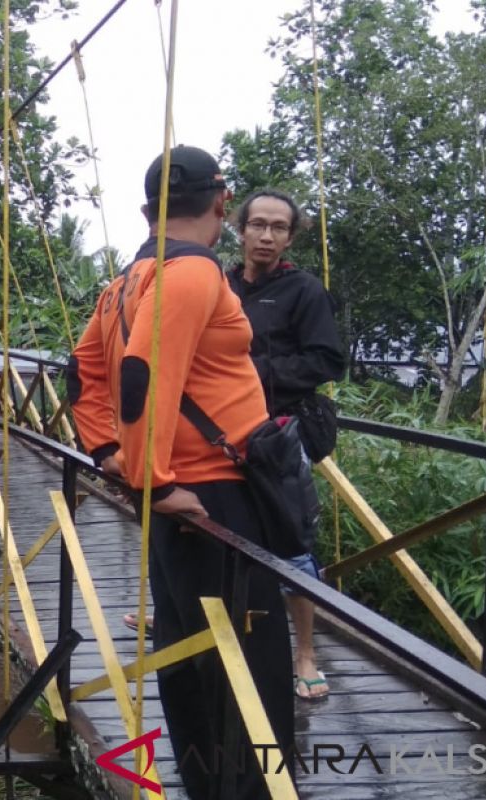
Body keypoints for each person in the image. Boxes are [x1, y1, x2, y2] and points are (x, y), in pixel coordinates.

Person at [69, 146, 295, 798]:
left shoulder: (124, 285)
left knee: (191, 649)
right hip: (210, 499)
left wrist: (108, 451)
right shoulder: (191, 277)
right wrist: (155, 479)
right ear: (223, 204)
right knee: (250, 663)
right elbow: (143, 374)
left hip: (181, 502)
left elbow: (81, 372)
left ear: (148, 212)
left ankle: (206, 787)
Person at [228, 189, 345, 699]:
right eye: (258, 225)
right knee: (210, 524)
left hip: (280, 433)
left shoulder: (303, 291)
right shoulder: (221, 284)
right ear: (241, 229)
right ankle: (183, 616)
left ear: (290, 236)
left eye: (278, 227)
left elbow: (326, 361)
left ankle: (304, 653)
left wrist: (254, 374)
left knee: (292, 542)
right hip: (222, 431)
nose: (267, 236)